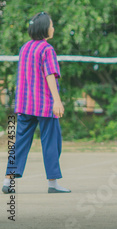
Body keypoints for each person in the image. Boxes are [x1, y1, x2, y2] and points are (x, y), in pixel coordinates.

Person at [2, 12, 70, 194]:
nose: (53, 28)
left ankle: (7, 182)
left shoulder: (24, 48)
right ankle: (53, 184)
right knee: (51, 143)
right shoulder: (47, 49)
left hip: (25, 105)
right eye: (52, 25)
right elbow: (49, 74)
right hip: (44, 105)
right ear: (44, 28)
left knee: (20, 143)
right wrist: (57, 100)